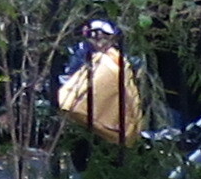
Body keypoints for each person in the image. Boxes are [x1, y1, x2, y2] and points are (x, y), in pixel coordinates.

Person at [56, 19, 142, 165]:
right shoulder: (82, 54)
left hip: (108, 120)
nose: (100, 42)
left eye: (105, 37)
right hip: (84, 117)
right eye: (95, 36)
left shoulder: (119, 58)